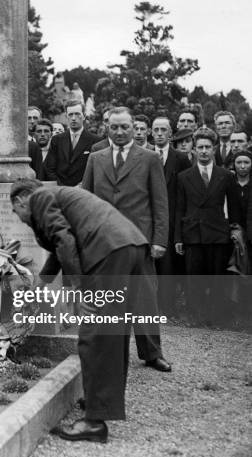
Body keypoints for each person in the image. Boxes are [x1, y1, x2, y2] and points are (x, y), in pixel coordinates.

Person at [10, 179, 155, 443]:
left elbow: (64, 241)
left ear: (21, 201)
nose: (19, 218)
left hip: (108, 252)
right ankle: (101, 403)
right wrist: (39, 285)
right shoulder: (55, 196)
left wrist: (79, 287)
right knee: (112, 333)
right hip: (130, 247)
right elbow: (59, 248)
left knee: (93, 336)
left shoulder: (39, 198)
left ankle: (94, 424)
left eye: (15, 212)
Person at [82, 106, 171, 372]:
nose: (119, 132)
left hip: (140, 242)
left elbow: (160, 203)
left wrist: (159, 240)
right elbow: (85, 201)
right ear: (106, 128)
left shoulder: (149, 158)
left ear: (134, 128)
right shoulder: (95, 159)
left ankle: (152, 353)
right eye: (114, 127)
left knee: (144, 298)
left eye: (125, 127)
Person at [175, 127, 241, 324]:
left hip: (218, 233)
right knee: (194, 278)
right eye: (200, 147)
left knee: (216, 278)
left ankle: (215, 317)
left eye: (207, 147)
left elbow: (234, 207)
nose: (204, 151)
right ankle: (195, 316)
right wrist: (178, 237)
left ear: (214, 149)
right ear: (194, 150)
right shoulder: (184, 176)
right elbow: (180, 209)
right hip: (193, 233)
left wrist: (233, 230)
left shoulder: (226, 176)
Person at [151, 117, 191, 316]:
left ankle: (167, 307)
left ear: (170, 133)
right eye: (156, 129)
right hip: (149, 218)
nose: (159, 133)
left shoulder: (181, 158)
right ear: (151, 132)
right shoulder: (144, 155)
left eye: (163, 130)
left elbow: (184, 193)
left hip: (172, 217)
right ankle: (149, 306)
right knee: (149, 264)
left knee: (168, 264)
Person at [42, 100, 100, 186]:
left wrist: (81, 186)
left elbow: (96, 170)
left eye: (77, 114)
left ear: (84, 116)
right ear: (66, 116)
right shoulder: (57, 140)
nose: (73, 118)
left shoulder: (95, 140)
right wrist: (61, 187)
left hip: (84, 191)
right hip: (60, 190)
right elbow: (50, 168)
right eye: (70, 114)